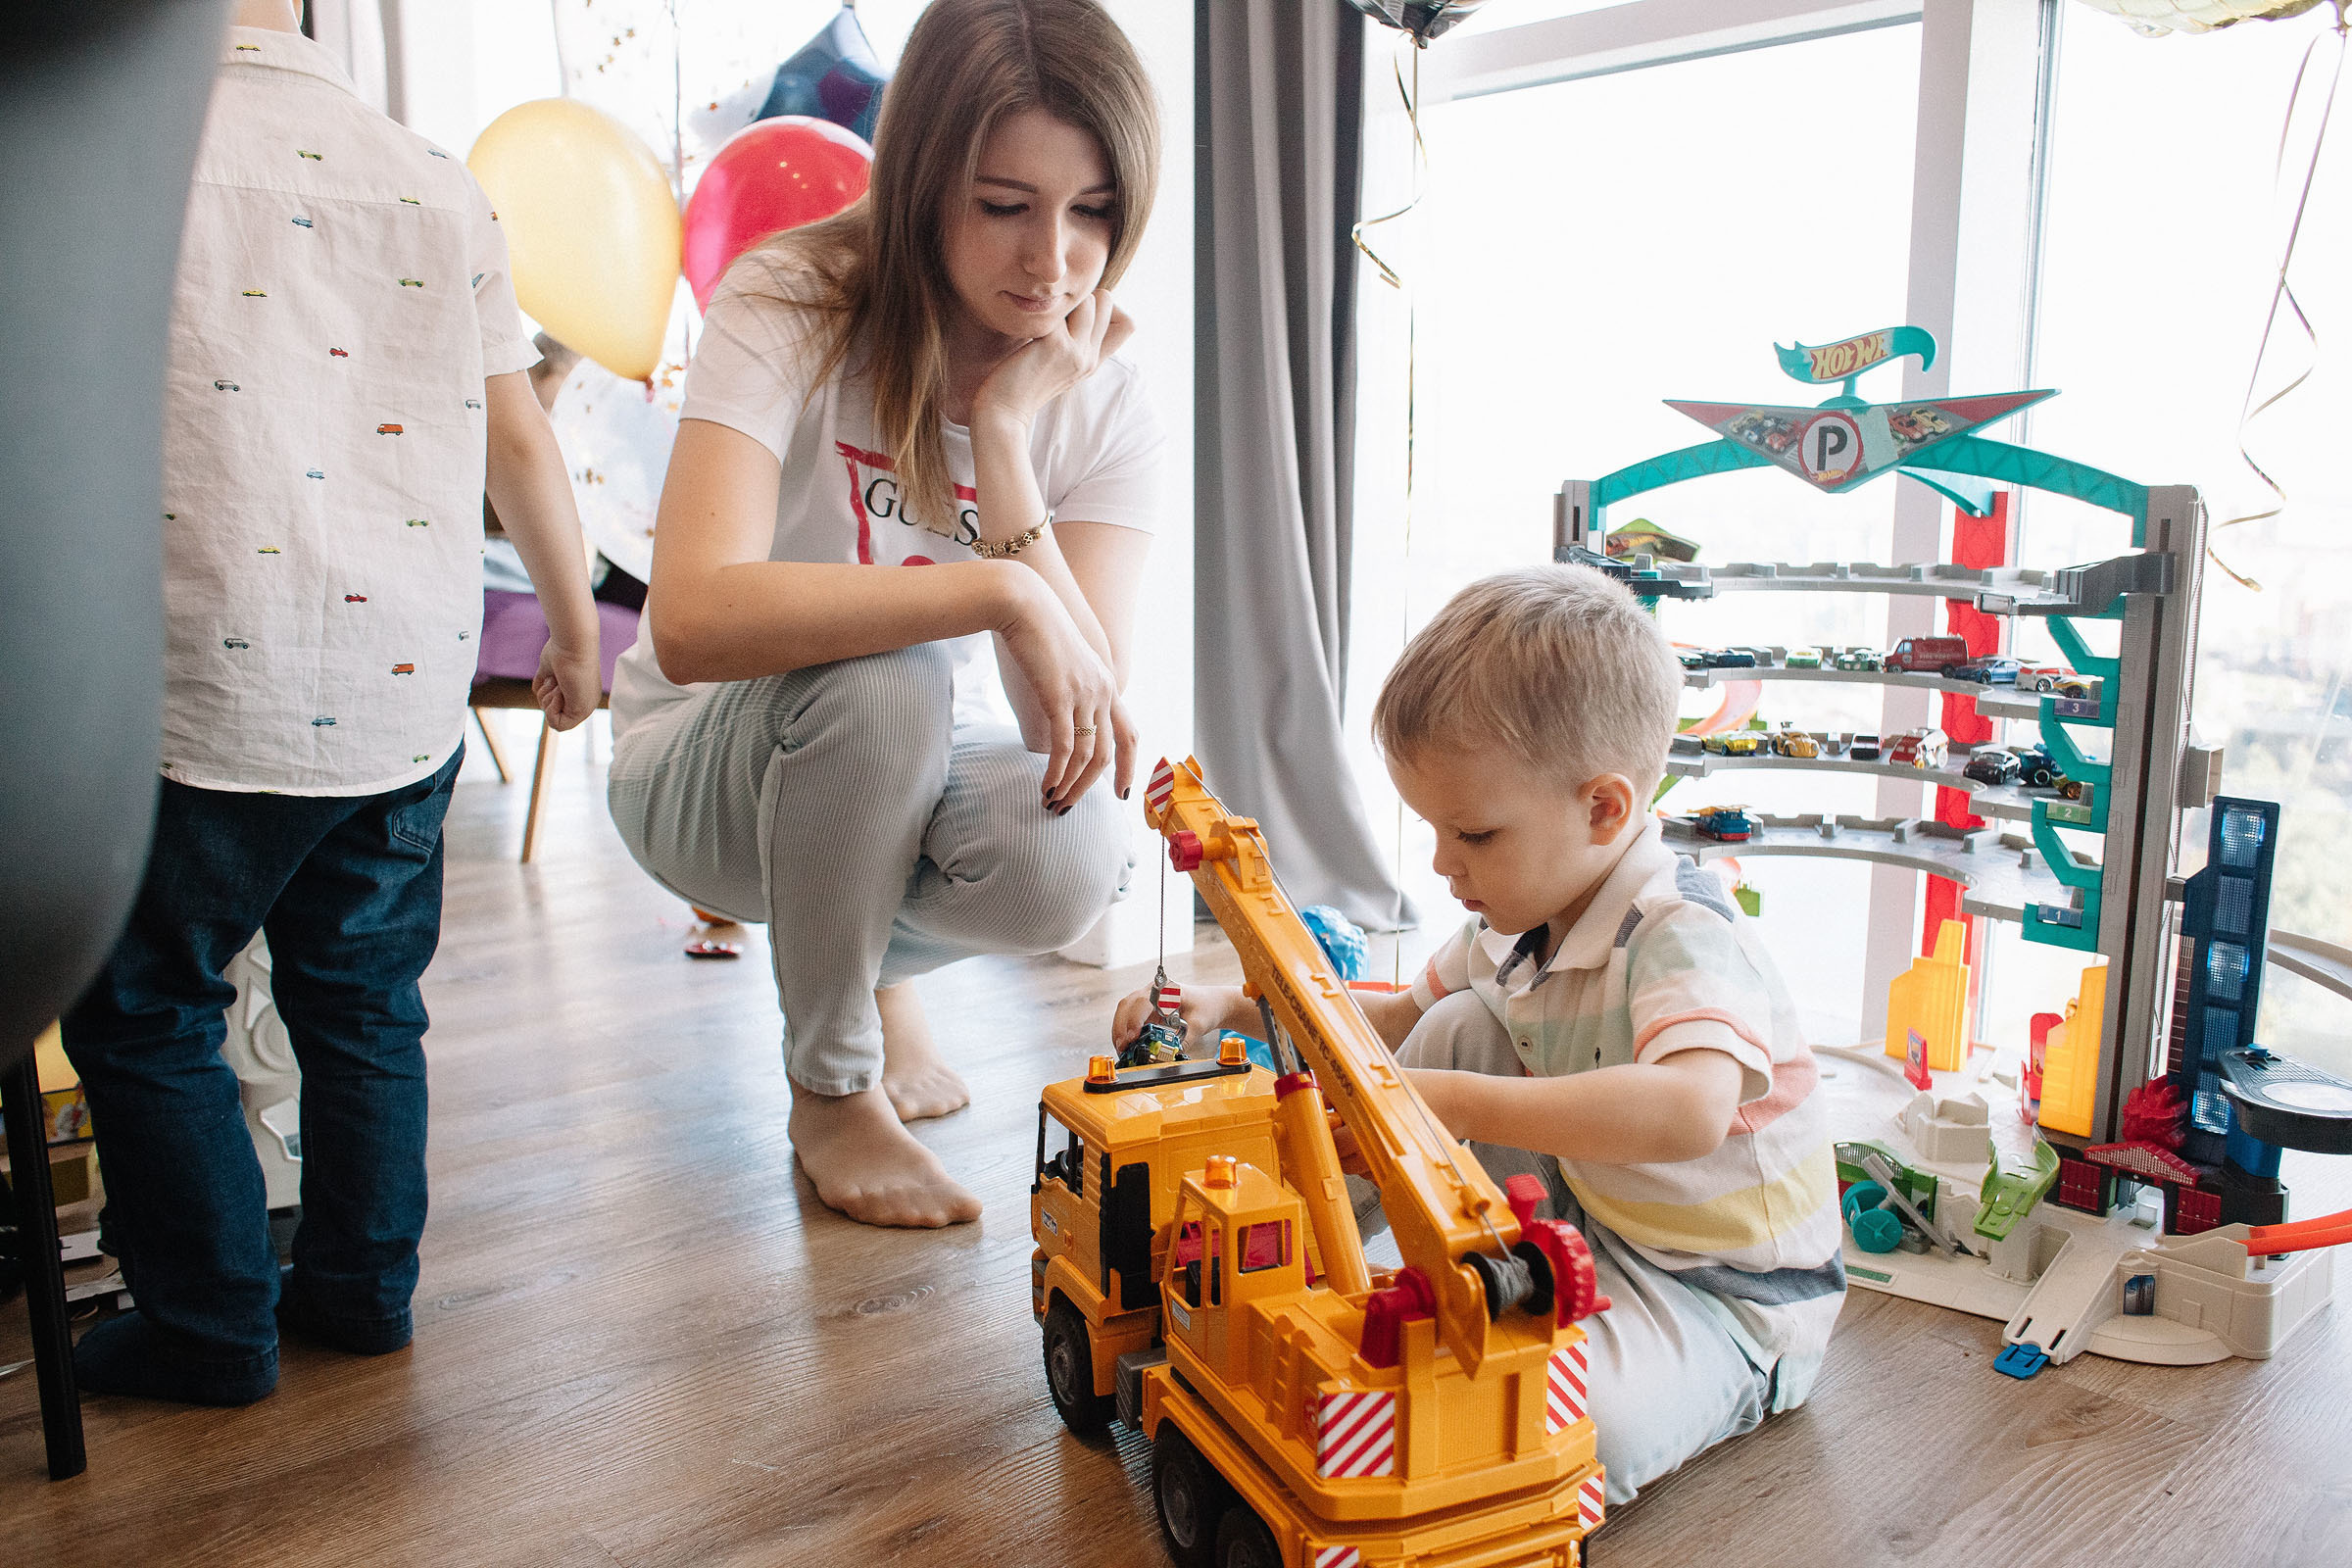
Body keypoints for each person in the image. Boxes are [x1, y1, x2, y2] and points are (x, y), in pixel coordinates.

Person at [62, 0, 602, 1406]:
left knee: (145, 1006)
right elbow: (521, 436)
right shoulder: (433, 179)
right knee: (363, 1004)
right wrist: (574, 629)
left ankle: (209, 1326)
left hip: (211, 679)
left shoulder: (126, 157)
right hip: (398, 690)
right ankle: (363, 1294)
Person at [1114, 564, 1844, 1504]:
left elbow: (1689, 1110)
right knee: (1456, 1025)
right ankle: (1318, 1249)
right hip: (1589, 1213)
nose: (1441, 862)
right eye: (1431, 829)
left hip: (1719, 1294)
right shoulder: (1511, 917)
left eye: (1475, 835)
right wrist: (1233, 1007)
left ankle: (1710, 1381)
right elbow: (1379, 1025)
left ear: (1603, 809)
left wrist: (1453, 1103)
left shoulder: (1680, 930)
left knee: (1570, 1434)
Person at [607, 0, 1163, 1231]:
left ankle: (853, 973)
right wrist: (995, 584)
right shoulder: (795, 295)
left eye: (1094, 212)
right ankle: (831, 1085)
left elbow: (1074, 720)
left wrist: (1007, 441)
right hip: (694, 769)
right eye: (1005, 205)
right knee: (891, 663)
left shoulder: (1103, 395)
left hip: (880, 770)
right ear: (920, 180)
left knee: (1074, 850)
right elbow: (692, 617)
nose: (1053, 264)